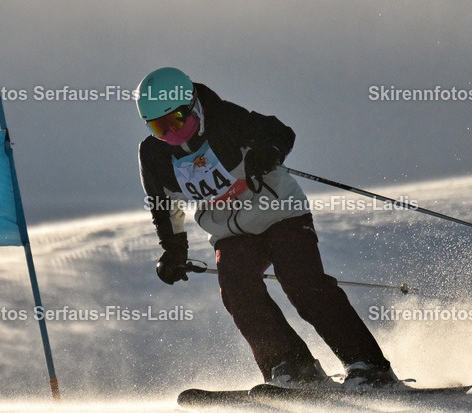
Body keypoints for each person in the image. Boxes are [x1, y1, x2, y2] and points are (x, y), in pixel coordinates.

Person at [136, 67, 401, 388]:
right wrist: (174, 251)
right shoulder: (154, 154)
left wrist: (267, 153)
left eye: (177, 120)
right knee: (237, 293)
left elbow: (280, 133)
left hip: (280, 214)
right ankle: (292, 366)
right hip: (230, 233)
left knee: (302, 284)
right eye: (159, 127)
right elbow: (164, 205)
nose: (172, 133)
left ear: (193, 105)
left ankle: (370, 366)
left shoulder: (225, 119)